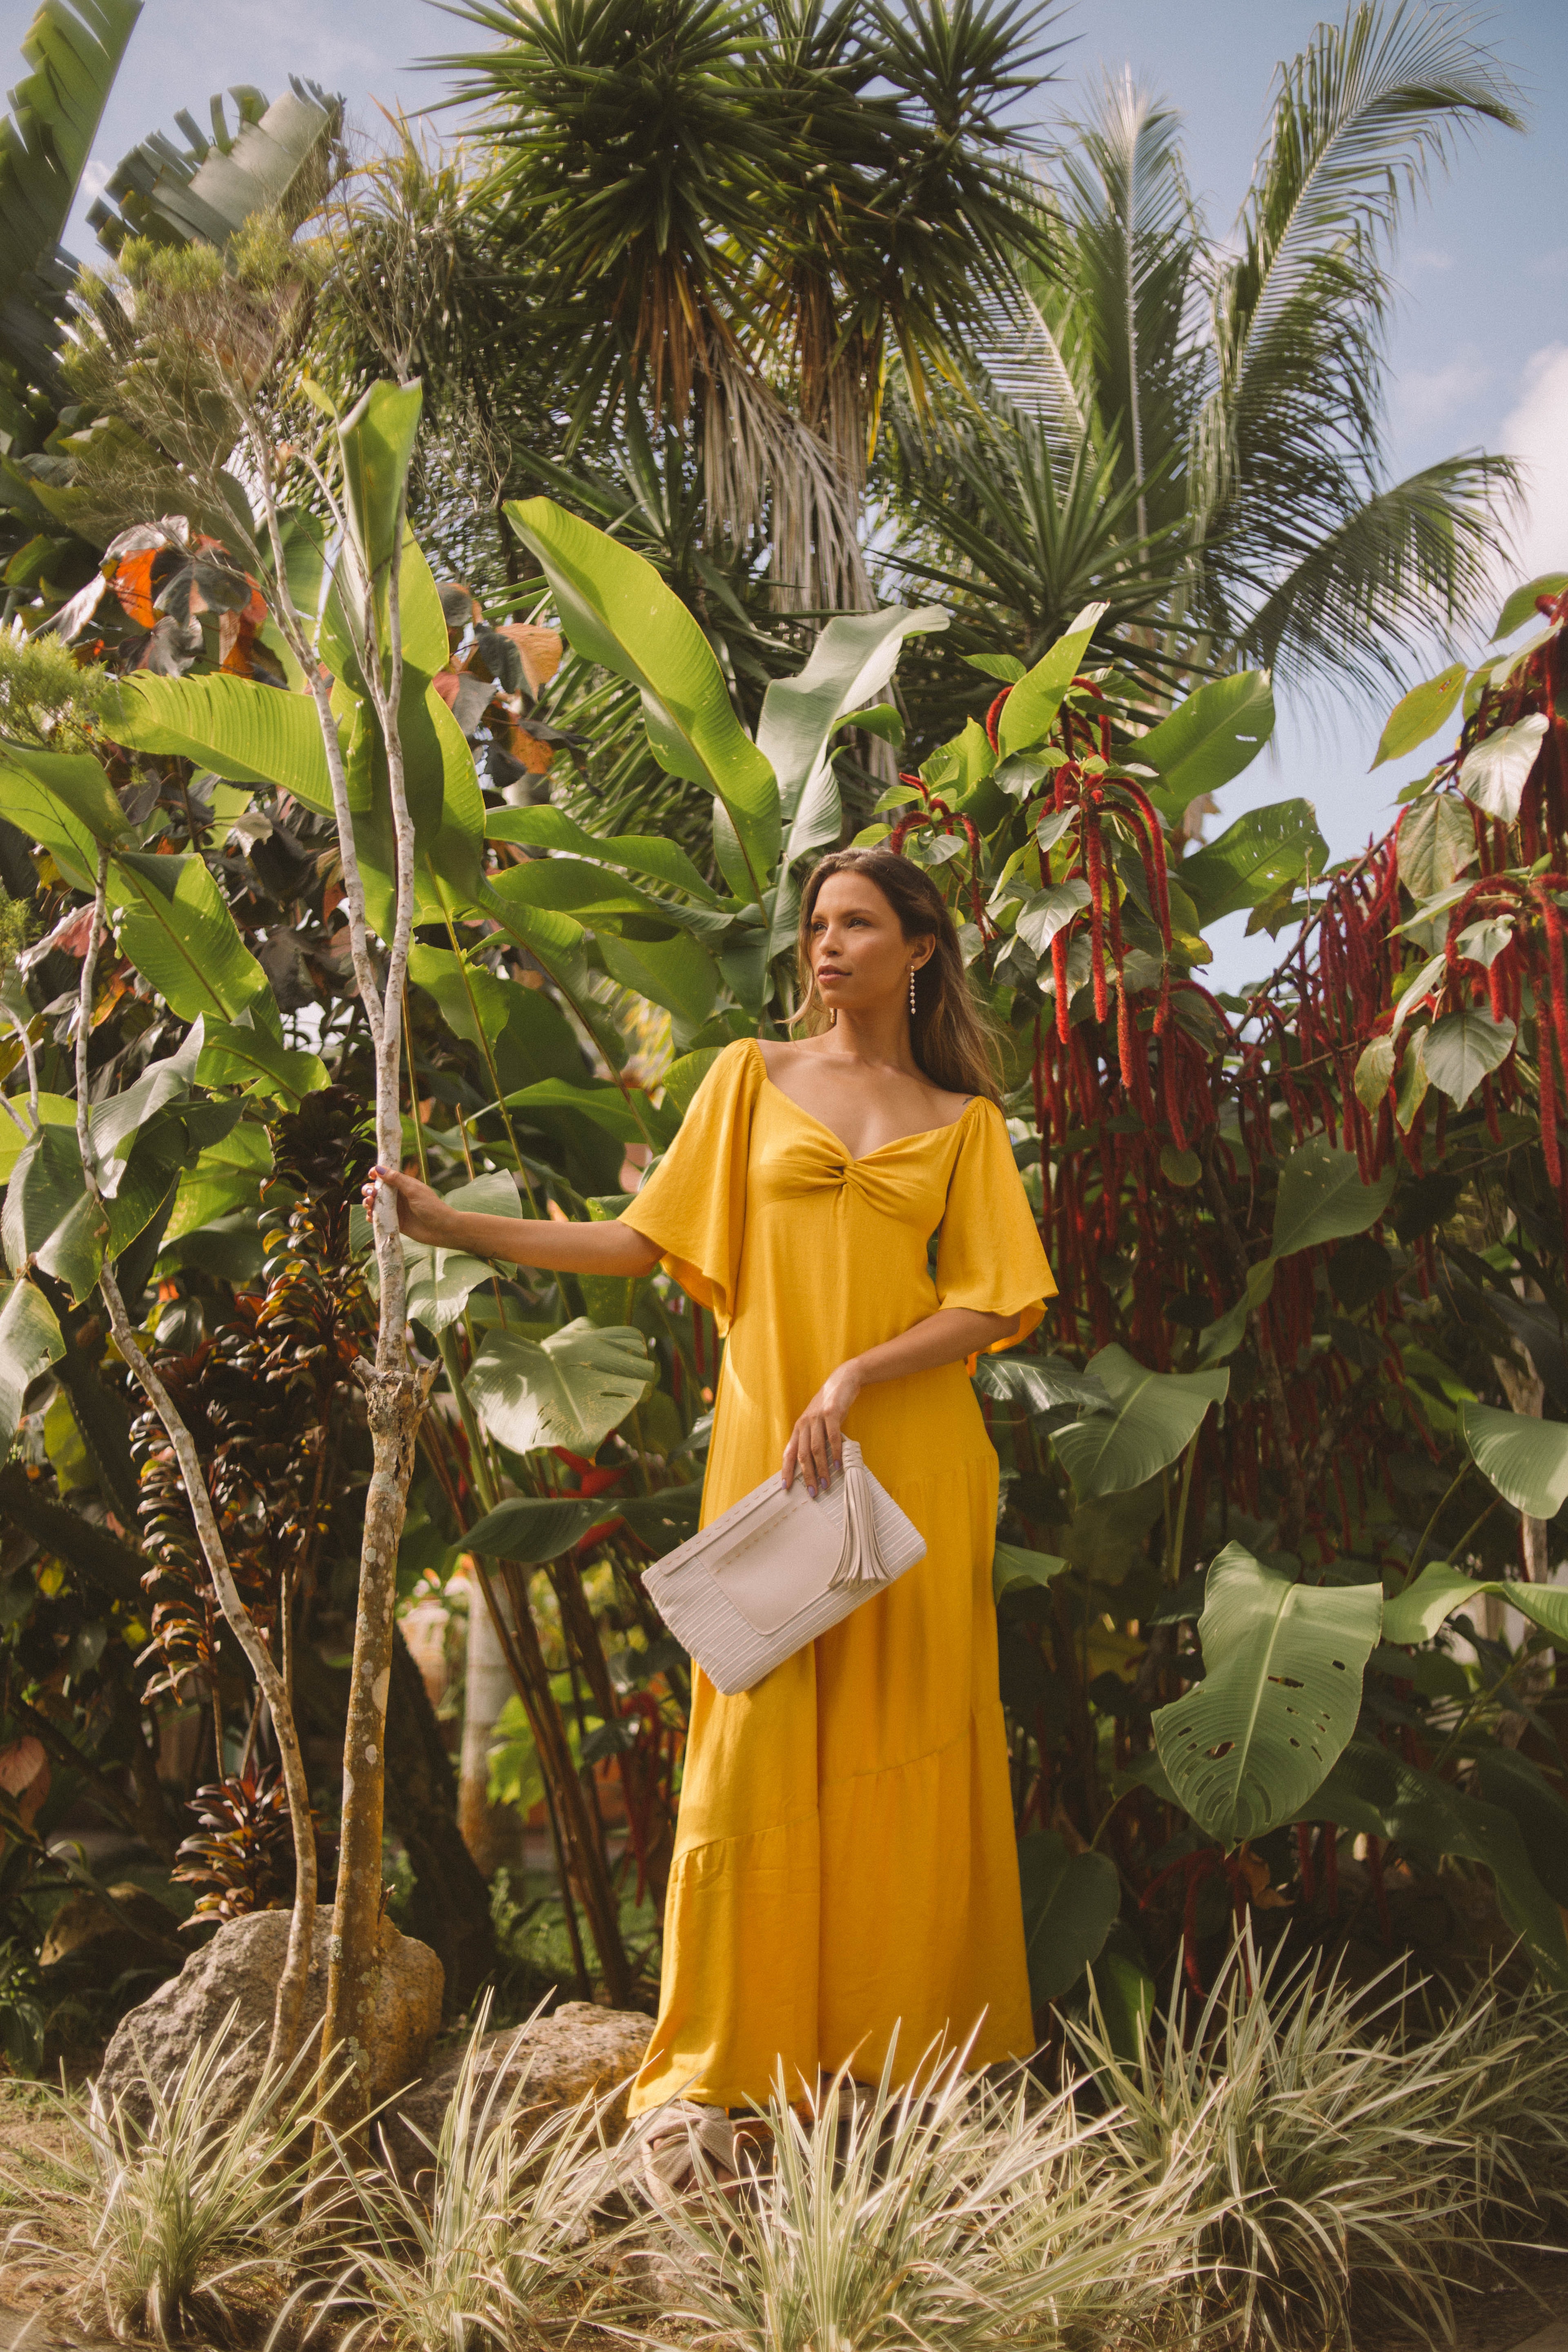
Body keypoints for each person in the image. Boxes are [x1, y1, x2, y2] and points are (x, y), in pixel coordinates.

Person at [369, 845, 1056, 2193]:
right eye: (816, 925)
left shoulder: (962, 1123)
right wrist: (457, 1231)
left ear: (922, 950)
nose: (826, 946)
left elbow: (994, 1299)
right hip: (781, 1463)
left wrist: (860, 1373)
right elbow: (641, 1239)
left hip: (913, 1458)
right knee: (754, 1743)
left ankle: (902, 2061)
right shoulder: (751, 1078)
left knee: (913, 1743)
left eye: (857, 924)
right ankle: (734, 2060)